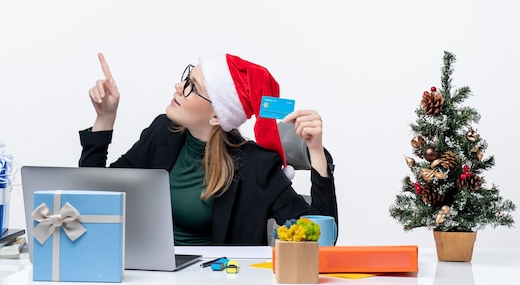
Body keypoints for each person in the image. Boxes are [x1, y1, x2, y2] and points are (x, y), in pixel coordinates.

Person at [79, 52, 338, 245]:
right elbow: (95, 196)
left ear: (217, 115)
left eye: (192, 86)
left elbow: (320, 240)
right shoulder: (163, 132)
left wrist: (315, 151)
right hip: (150, 275)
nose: (179, 87)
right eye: (186, 79)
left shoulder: (257, 166)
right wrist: (105, 118)